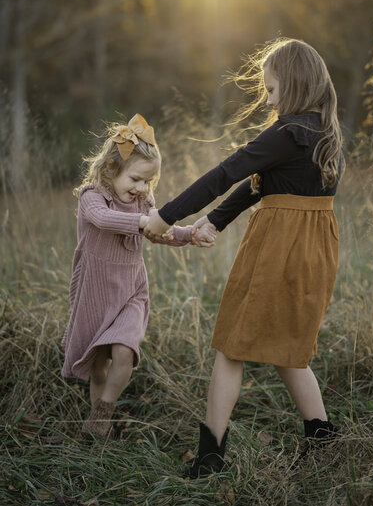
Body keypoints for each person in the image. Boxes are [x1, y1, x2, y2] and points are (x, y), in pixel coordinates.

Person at [143, 38, 345, 476]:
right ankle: (323, 439)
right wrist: (215, 222)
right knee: (290, 351)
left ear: (293, 85)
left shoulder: (286, 132)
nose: (269, 102)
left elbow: (227, 172)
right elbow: (259, 183)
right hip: (314, 250)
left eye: (272, 91)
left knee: (231, 347)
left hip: (278, 247)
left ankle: (210, 457)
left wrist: (165, 216)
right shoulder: (325, 136)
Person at [61, 114, 216, 441]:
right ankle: (97, 429)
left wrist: (189, 233)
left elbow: (160, 233)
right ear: (111, 170)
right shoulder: (92, 197)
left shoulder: (144, 203)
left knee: (125, 352)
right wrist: (146, 222)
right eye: (135, 179)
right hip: (96, 291)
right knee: (99, 363)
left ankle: (104, 411)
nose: (142, 188)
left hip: (131, 290)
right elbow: (104, 220)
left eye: (148, 181)